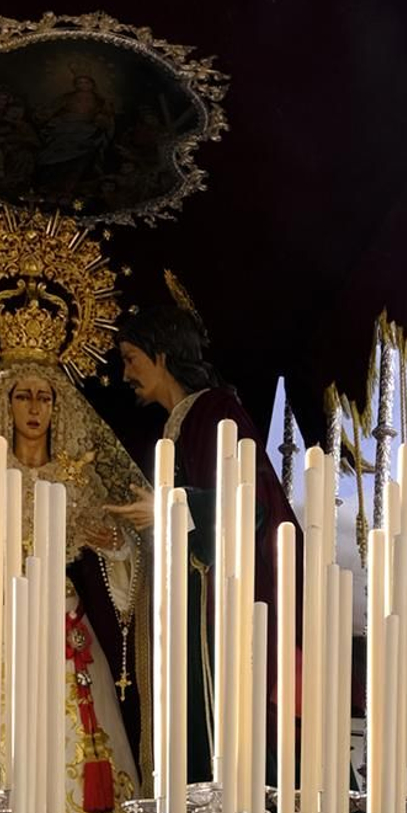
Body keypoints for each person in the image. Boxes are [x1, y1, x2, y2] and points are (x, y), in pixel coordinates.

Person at [0, 355, 150, 813]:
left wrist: (115, 545)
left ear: (57, 408)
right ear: (6, 404)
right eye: (23, 395)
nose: (34, 408)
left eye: (44, 397)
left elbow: (127, 554)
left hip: (58, 623)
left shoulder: (77, 480)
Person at [116, 298, 296, 778]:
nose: (126, 373)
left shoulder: (216, 411)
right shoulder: (182, 422)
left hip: (223, 614)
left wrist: (172, 508)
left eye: (131, 358)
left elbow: (252, 503)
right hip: (191, 610)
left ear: (162, 354)